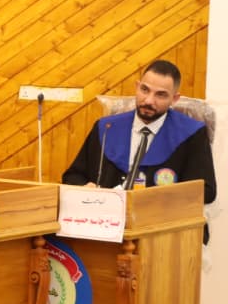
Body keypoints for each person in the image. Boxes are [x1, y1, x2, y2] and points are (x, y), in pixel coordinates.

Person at [63, 60, 216, 234]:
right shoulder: (106, 128)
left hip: (163, 231)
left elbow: (206, 191)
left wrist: (157, 199)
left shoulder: (191, 134)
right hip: (106, 226)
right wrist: (84, 187)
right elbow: (72, 176)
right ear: (137, 87)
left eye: (160, 95)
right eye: (145, 90)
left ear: (174, 99)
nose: (149, 100)